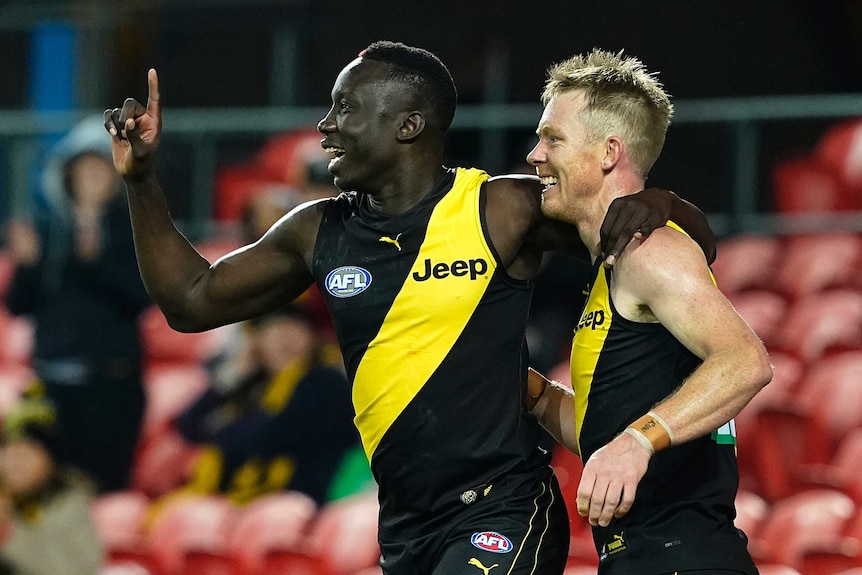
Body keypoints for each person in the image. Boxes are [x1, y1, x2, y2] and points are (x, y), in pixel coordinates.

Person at [103, 41, 716, 575]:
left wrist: (663, 203)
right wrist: (141, 183)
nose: (326, 125)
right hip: (403, 526)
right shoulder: (317, 231)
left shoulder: (499, 210)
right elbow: (188, 302)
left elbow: (686, 247)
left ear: (407, 125)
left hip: (503, 506)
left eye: (346, 108)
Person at [524, 49, 773, 574]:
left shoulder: (649, 251)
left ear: (609, 151)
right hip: (644, 557)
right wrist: (528, 392)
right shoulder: (612, 262)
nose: (535, 155)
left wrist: (638, 441)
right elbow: (603, 430)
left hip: (684, 556)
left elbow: (747, 361)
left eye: (553, 139)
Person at [4, 115, 153, 494]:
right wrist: (27, 266)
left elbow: (142, 299)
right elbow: (19, 306)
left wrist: (95, 260)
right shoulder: (47, 229)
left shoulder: (136, 227)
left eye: (99, 169)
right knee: (38, 492)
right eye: (83, 169)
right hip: (51, 385)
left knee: (101, 492)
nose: (91, 178)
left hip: (110, 386)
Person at [167, 304, 366, 508]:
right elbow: (189, 426)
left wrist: (220, 434)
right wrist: (235, 373)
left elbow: (270, 435)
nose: (285, 338)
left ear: (313, 338)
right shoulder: (255, 386)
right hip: (246, 501)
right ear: (255, 343)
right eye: (273, 330)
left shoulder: (325, 381)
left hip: (301, 501)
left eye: (295, 328)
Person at [0, 393, 104, 575]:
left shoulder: (68, 503)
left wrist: (8, 531)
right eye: (13, 452)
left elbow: (76, 569)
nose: (17, 462)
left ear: (50, 465)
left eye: (29, 455)